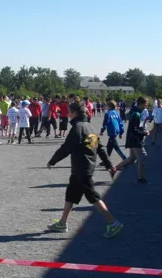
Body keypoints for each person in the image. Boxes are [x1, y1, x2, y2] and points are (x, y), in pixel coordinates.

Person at [47, 102, 123, 238]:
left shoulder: (77, 128)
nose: (67, 113)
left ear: (75, 113)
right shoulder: (90, 127)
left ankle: (112, 223)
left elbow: (66, 148)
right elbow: (100, 148)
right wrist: (108, 164)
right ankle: (62, 223)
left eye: (69, 111)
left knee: (92, 196)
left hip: (82, 168)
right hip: (83, 168)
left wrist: (53, 161)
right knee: (71, 193)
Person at [116, 97, 149, 184]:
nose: (146, 107)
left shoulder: (137, 113)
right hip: (135, 139)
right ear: (140, 104)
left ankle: (114, 169)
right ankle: (140, 178)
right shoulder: (136, 114)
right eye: (145, 105)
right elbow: (134, 129)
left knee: (131, 159)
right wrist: (144, 133)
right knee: (142, 157)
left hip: (133, 138)